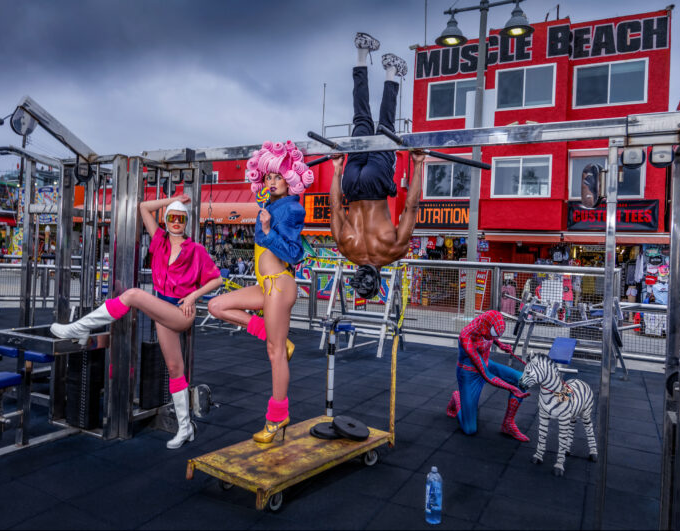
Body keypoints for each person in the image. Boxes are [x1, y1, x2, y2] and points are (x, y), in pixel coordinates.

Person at [50, 195, 223, 449]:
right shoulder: (159, 240)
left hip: (180, 311)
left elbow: (217, 279)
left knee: (132, 295)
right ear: (166, 220)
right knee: (175, 368)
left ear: (186, 221)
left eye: (181, 218)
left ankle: (81, 327)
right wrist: (175, 199)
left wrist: (192, 296)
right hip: (163, 309)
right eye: (172, 217)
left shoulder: (195, 250)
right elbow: (143, 207)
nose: (176, 222)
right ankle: (185, 428)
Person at [208, 140, 312, 444]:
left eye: (278, 176)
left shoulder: (292, 208)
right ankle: (272, 335)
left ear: (289, 179)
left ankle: (277, 417)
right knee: (217, 306)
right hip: (265, 285)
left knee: (274, 353)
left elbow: (294, 253)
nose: (272, 181)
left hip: (279, 283)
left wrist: (267, 231)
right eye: (269, 176)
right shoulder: (268, 206)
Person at [329, 33, 423, 299]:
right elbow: (335, 206)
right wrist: (337, 170)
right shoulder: (346, 248)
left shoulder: (393, 252)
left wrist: (418, 165)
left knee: (385, 128)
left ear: (379, 280)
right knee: (361, 119)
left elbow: (411, 207)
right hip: (351, 184)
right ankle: (361, 55)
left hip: (375, 184)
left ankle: (391, 70)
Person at [445, 310, 531, 441]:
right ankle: (458, 398)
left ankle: (508, 424)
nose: (493, 338)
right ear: (486, 327)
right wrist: (511, 388)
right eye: (492, 335)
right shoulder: (466, 336)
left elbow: (491, 336)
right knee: (469, 429)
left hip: (485, 363)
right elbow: (486, 375)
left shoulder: (485, 323)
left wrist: (501, 345)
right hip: (469, 373)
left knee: (522, 380)